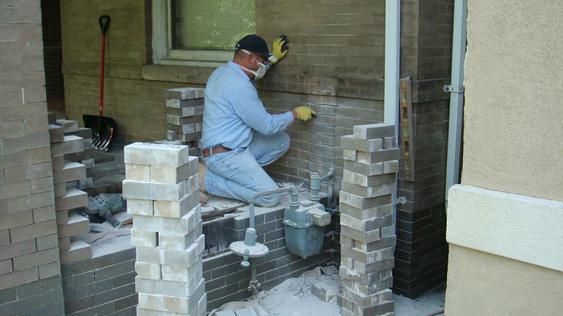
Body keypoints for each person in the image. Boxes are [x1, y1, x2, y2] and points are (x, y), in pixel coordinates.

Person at [200, 34, 315, 207]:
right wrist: (295, 114)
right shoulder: (240, 86)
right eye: (261, 60)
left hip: (227, 146)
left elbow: (254, 75)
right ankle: (209, 181)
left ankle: (245, 178)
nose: (262, 65)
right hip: (225, 156)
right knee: (270, 196)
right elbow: (267, 126)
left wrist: (272, 60)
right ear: (251, 58)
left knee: (281, 140)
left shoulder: (222, 72)